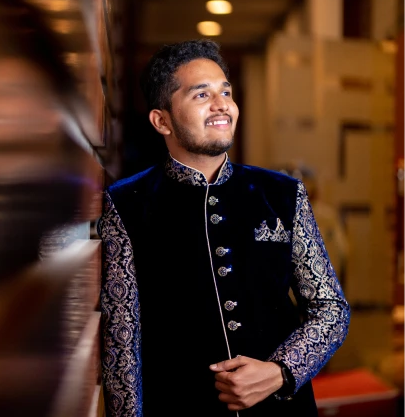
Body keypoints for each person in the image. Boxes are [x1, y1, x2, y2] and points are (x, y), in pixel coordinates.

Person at [96, 39, 350, 416]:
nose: (221, 105)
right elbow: (122, 344)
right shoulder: (126, 205)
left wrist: (281, 371)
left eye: (225, 92)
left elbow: (331, 308)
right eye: (201, 95)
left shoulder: (282, 194)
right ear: (161, 120)